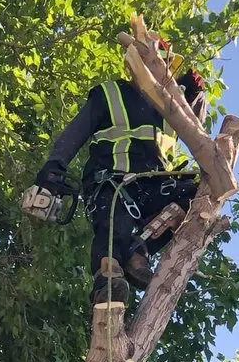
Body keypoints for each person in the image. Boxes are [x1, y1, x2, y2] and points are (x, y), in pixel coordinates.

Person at [34, 40, 207, 304]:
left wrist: (196, 94)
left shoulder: (170, 107)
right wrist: (54, 167)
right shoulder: (111, 92)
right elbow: (76, 131)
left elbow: (196, 130)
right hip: (110, 178)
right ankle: (108, 279)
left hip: (152, 183)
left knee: (195, 196)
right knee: (116, 223)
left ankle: (140, 249)